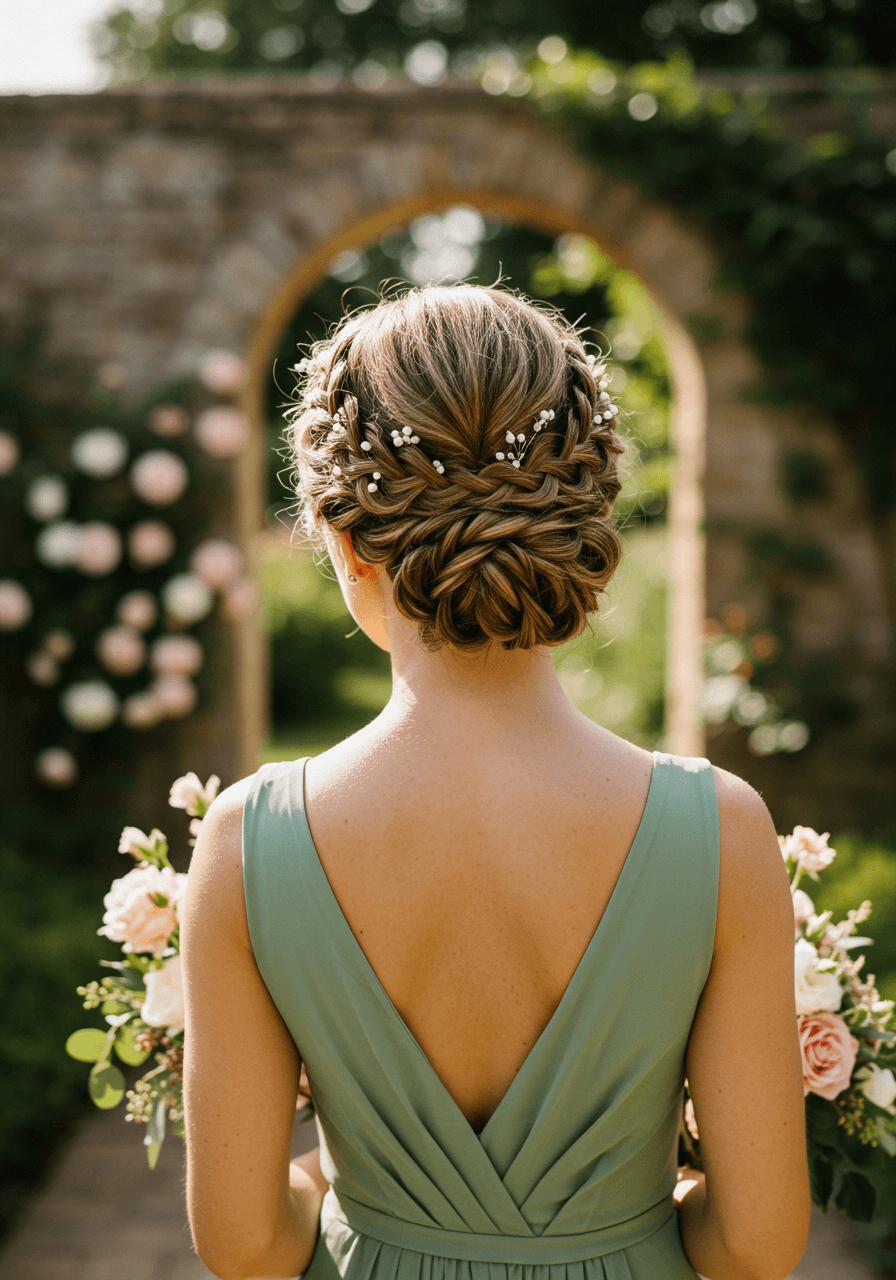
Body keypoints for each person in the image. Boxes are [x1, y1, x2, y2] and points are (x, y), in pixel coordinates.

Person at [180, 284, 810, 1280]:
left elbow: (244, 1240)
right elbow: (755, 1239)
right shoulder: (718, 829)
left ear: (345, 542)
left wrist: (338, 1185)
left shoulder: (246, 839)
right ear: (584, 519)